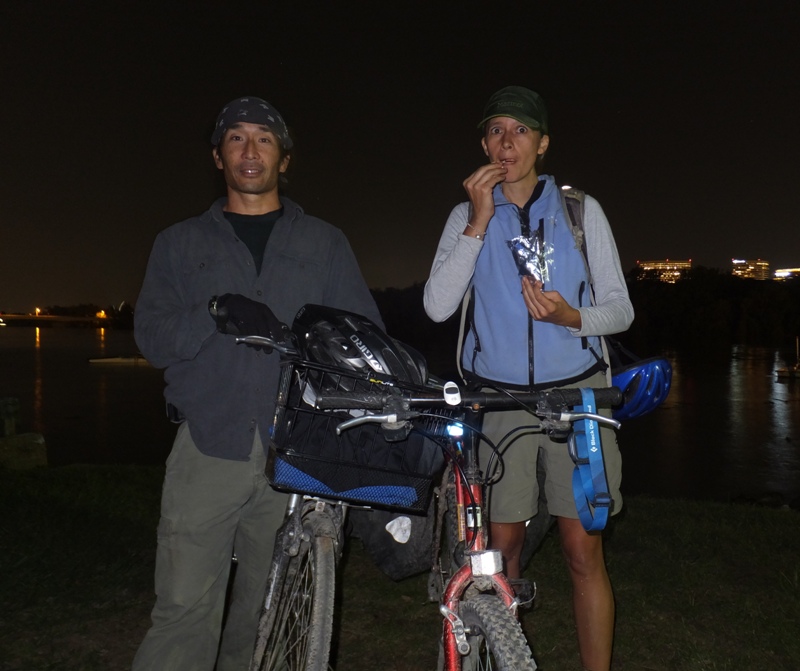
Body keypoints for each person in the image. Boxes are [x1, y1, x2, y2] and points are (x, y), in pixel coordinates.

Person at [132, 96, 382, 671]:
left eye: (264, 139)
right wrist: (214, 310)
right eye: (236, 138)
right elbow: (151, 337)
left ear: (284, 158)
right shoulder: (178, 242)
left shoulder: (325, 242)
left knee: (269, 615)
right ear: (218, 157)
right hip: (207, 448)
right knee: (182, 611)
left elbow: (364, 333)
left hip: (294, 453)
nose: (250, 150)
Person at [424, 86, 634, 671]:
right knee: (503, 547)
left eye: (520, 131)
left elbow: (620, 309)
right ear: (483, 143)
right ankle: (508, 655)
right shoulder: (466, 215)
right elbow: (438, 307)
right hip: (500, 401)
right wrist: (477, 221)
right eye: (495, 130)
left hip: (580, 396)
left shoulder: (579, 211)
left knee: (580, 549)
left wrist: (573, 318)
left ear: (543, 142)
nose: (506, 142)